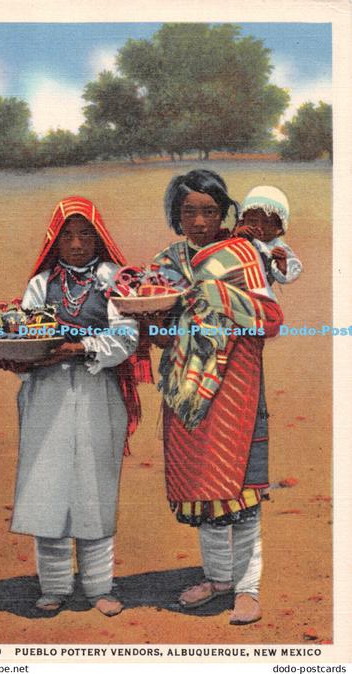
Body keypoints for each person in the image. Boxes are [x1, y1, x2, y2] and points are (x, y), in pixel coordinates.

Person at [0, 196, 149, 617]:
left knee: (94, 488)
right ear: (54, 242)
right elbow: (23, 332)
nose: (77, 244)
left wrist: (78, 348)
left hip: (99, 391)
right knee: (48, 485)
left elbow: (126, 337)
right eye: (68, 237)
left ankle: (99, 587)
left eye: (86, 235)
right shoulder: (41, 284)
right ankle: (55, 586)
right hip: (47, 393)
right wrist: (33, 353)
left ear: (100, 238)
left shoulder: (116, 279)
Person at [152, 170, 284, 625]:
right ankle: (218, 578)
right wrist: (163, 325)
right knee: (202, 488)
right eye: (189, 211)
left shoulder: (245, 254)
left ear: (224, 212)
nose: (200, 221)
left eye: (210, 211)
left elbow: (269, 318)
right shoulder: (166, 263)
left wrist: (214, 297)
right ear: (177, 215)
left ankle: (247, 588)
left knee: (242, 489)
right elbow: (153, 326)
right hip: (187, 392)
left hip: (237, 385)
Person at [233, 185, 302, 285]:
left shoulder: (277, 246)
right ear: (242, 221)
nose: (259, 226)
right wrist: (236, 234)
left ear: (279, 228)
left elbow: (289, 274)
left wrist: (282, 265)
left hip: (259, 291)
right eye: (252, 221)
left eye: (267, 222)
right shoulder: (238, 235)